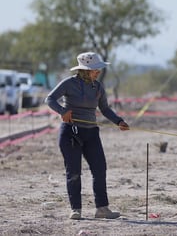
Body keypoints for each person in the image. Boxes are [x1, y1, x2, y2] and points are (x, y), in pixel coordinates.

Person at [45, 52, 130, 220]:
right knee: (74, 172)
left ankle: (102, 208)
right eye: (94, 69)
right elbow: (50, 99)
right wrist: (62, 111)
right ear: (84, 70)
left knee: (100, 169)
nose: (97, 72)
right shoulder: (69, 83)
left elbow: (105, 109)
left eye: (98, 69)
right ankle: (76, 209)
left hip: (91, 132)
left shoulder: (98, 87)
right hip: (71, 133)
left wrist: (118, 121)